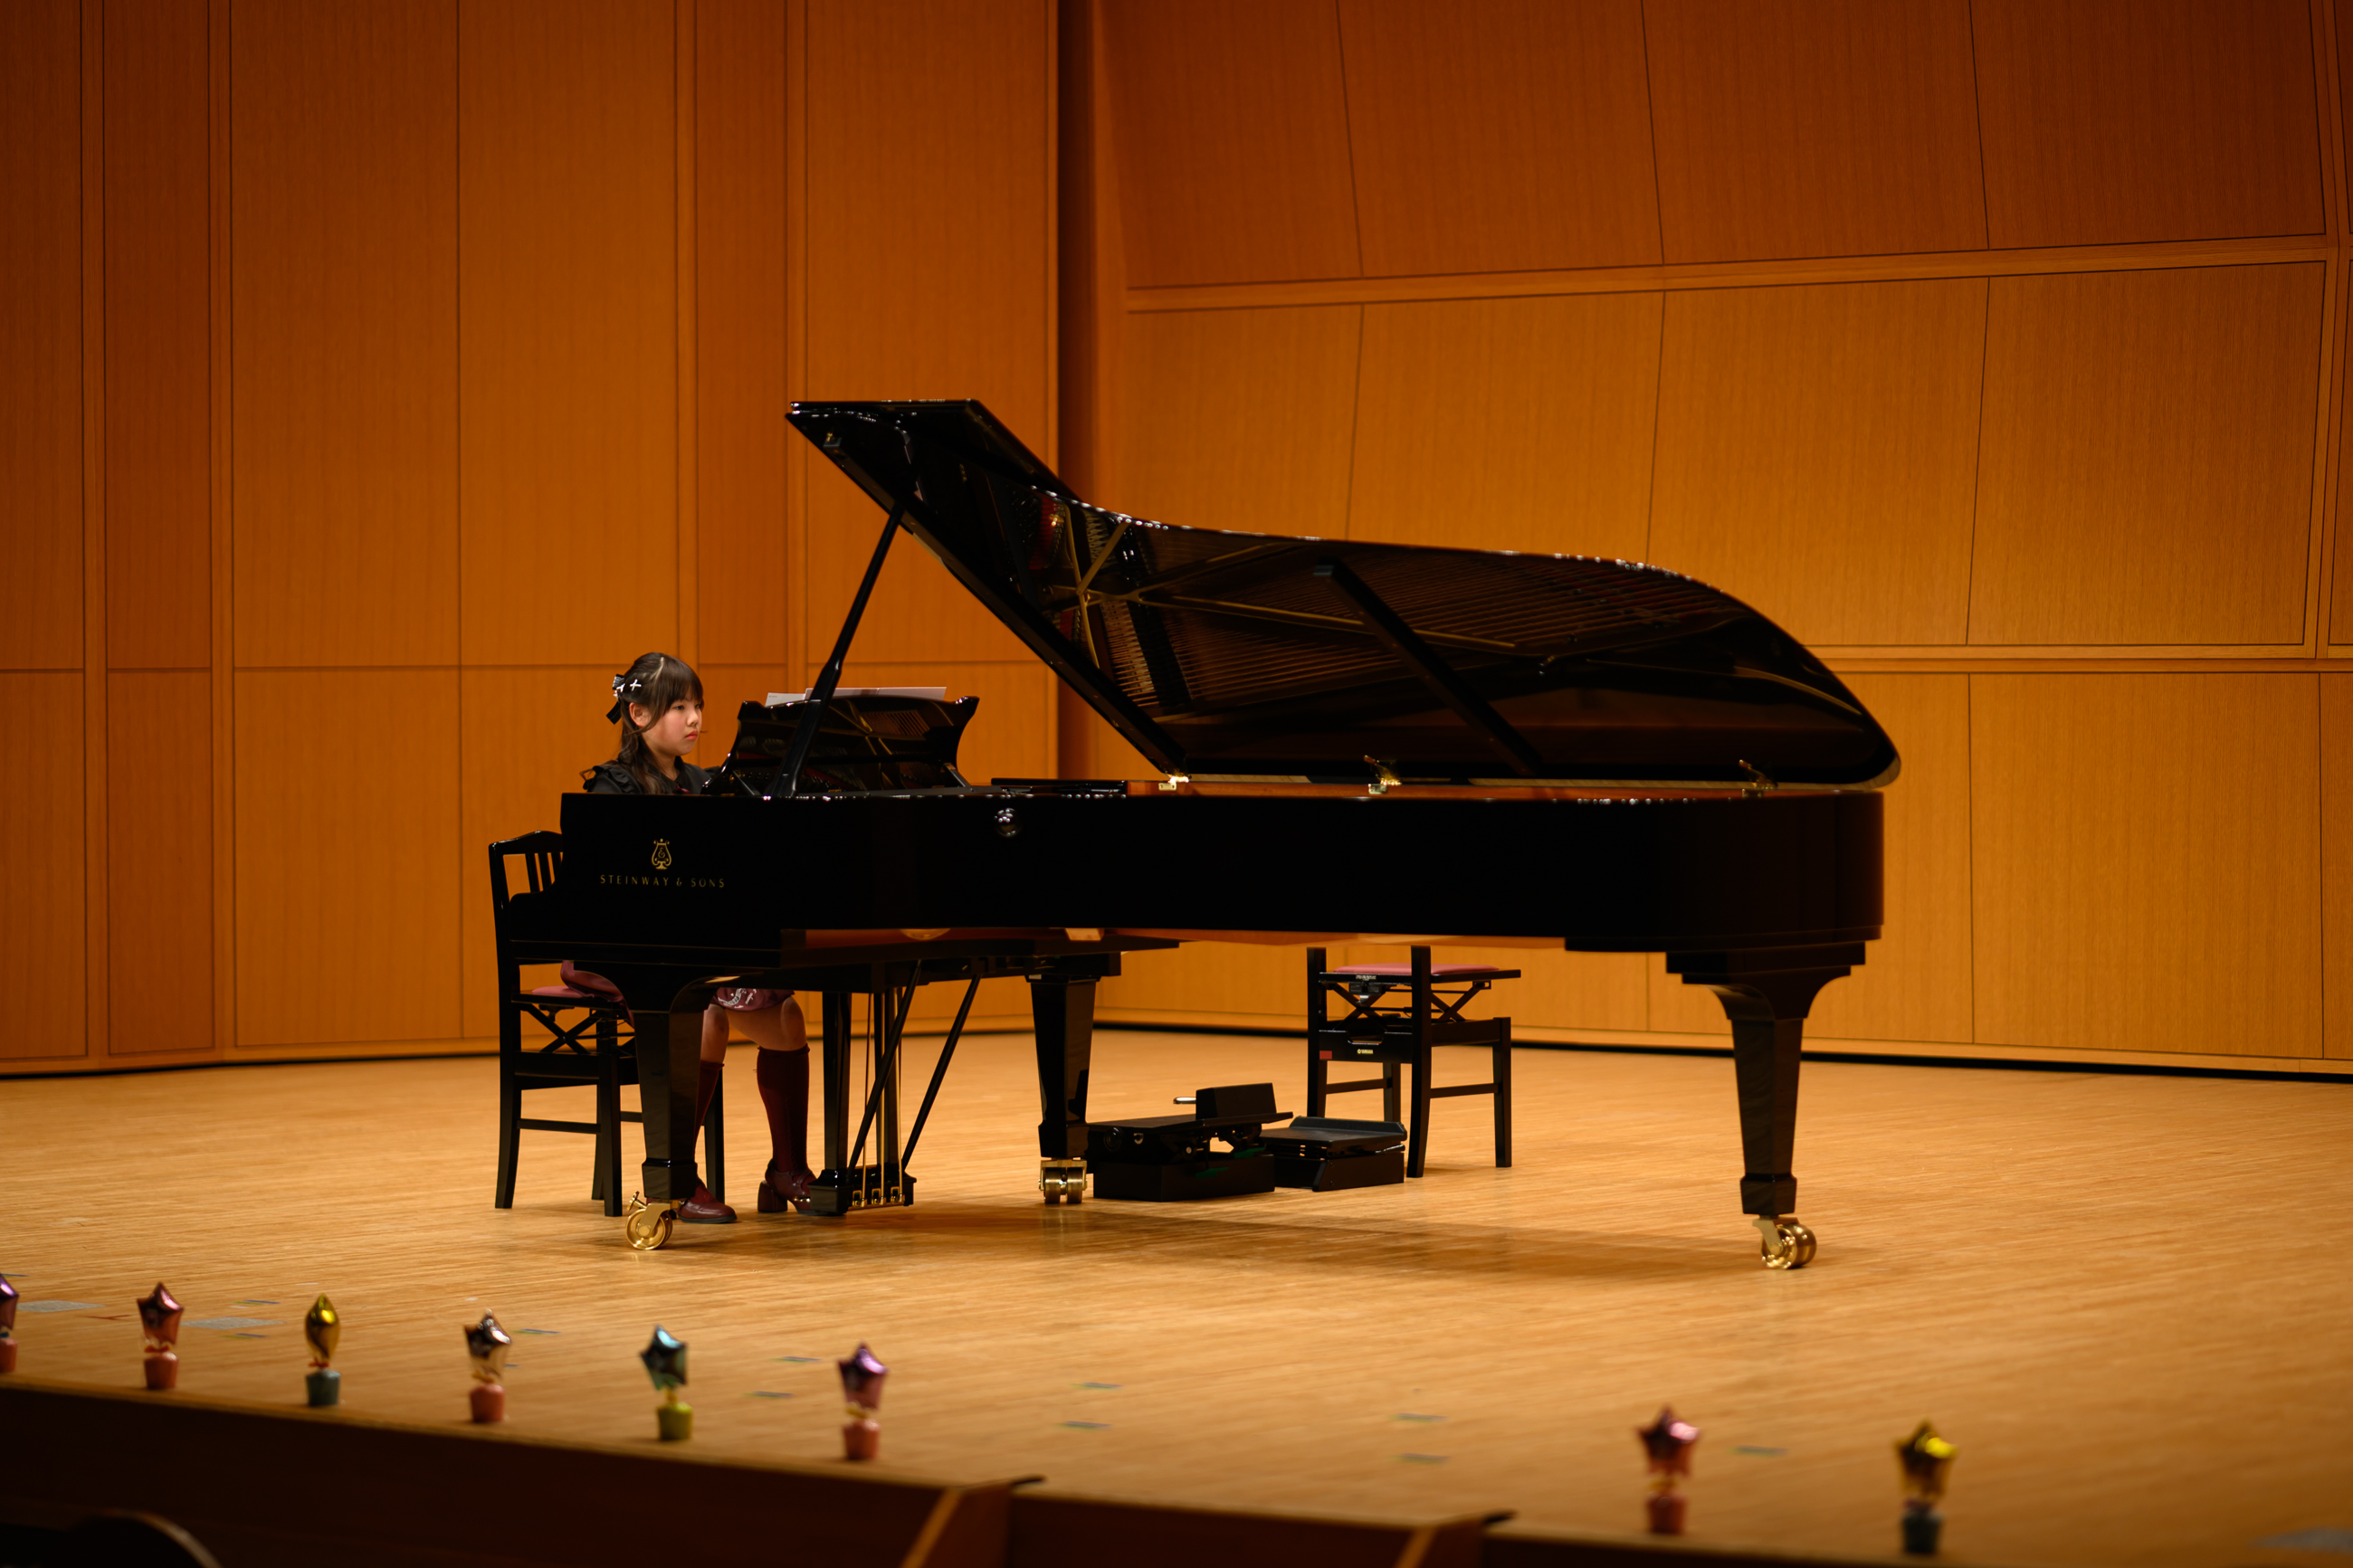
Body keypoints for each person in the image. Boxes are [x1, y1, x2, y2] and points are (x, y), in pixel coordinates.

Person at [567, 651, 815, 1221]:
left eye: (698, 705)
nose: (694, 718)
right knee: (703, 1016)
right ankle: (676, 1178)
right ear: (637, 713)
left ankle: (786, 1170)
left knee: (787, 1017)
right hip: (627, 952)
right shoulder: (613, 790)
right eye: (678, 706)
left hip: (697, 950)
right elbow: (603, 896)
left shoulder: (709, 786)